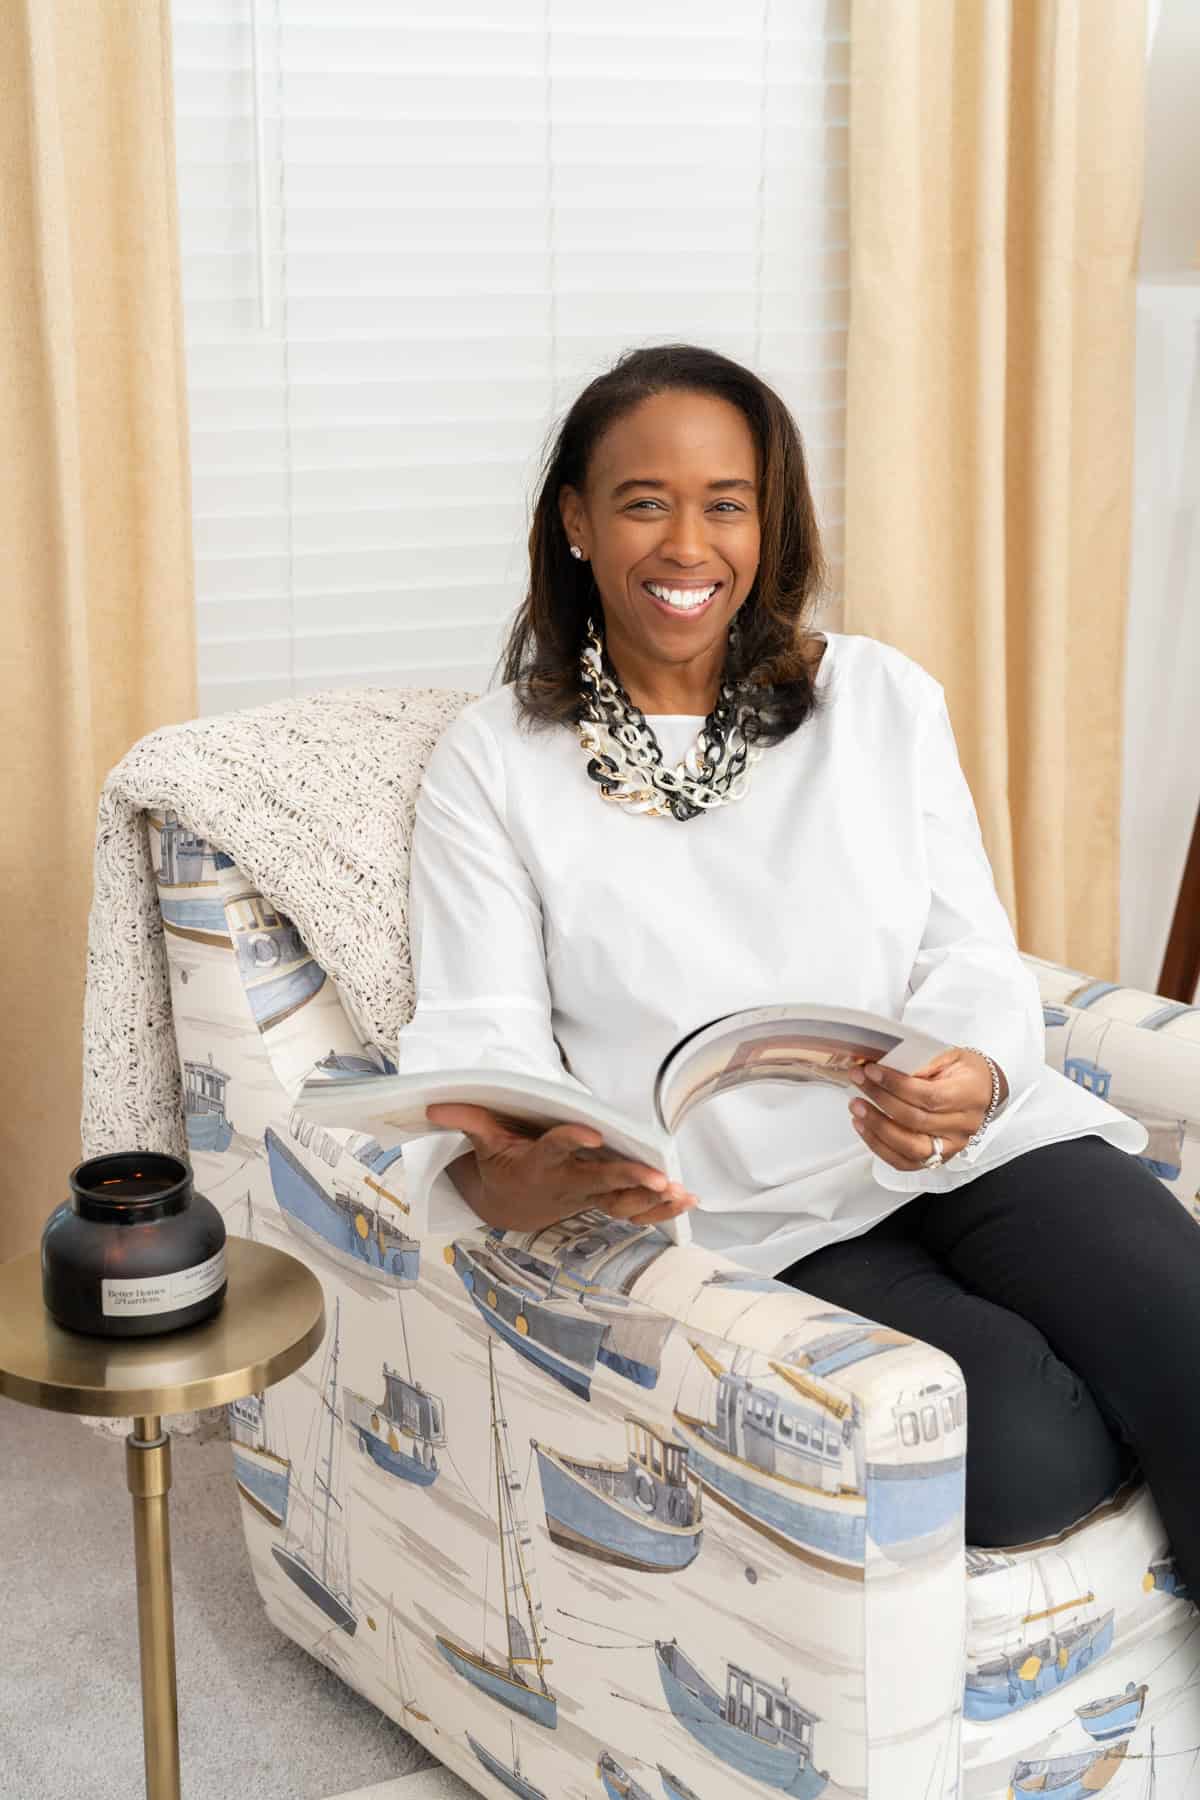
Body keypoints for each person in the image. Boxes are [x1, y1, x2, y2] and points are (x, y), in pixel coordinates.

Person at [396, 341, 1197, 1583]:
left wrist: (973, 1078)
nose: (687, 546)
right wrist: (530, 1171)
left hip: (971, 1142)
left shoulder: (880, 699)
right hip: (764, 1221)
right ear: (574, 522)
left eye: (727, 505)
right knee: (1026, 1458)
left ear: (770, 527)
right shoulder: (495, 760)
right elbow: (483, 1039)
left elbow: (970, 951)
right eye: (643, 502)